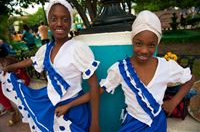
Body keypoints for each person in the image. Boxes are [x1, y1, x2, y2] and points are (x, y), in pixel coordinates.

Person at [56, 10, 195, 132]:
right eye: (139, 43)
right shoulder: (120, 69)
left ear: (157, 43)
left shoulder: (166, 66)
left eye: (151, 45)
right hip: (132, 124)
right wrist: (69, 105)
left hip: (156, 123)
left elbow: (190, 78)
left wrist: (174, 101)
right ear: (133, 41)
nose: (144, 50)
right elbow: (97, 91)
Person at [1, 0, 100, 131]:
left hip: (75, 108)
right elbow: (29, 61)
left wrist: (95, 123)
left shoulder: (78, 48)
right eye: (54, 19)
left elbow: (94, 86)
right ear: (49, 22)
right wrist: (10, 67)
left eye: (65, 19)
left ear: (71, 22)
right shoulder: (46, 49)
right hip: (52, 105)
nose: (59, 24)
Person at [0, 46, 30, 126]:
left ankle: (26, 113)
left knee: (19, 98)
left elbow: (18, 75)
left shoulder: (9, 61)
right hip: (8, 83)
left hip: (19, 82)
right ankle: (13, 112)